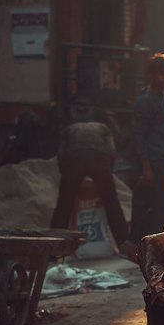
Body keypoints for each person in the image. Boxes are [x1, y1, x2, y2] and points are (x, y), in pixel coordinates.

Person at [50, 99, 138, 261]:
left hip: (75, 158)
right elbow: (111, 152)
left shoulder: (70, 129)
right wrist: (105, 177)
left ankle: (53, 249)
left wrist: (68, 179)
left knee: (64, 205)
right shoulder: (103, 128)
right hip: (99, 158)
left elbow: (61, 155)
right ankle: (123, 245)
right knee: (112, 204)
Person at [130, 52, 164, 242]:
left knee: (153, 207)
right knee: (157, 208)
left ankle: (135, 244)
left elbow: (161, 132)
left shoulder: (163, 96)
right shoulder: (146, 101)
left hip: (160, 160)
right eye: (161, 74)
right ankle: (140, 245)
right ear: (151, 75)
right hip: (152, 164)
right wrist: (147, 168)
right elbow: (139, 136)